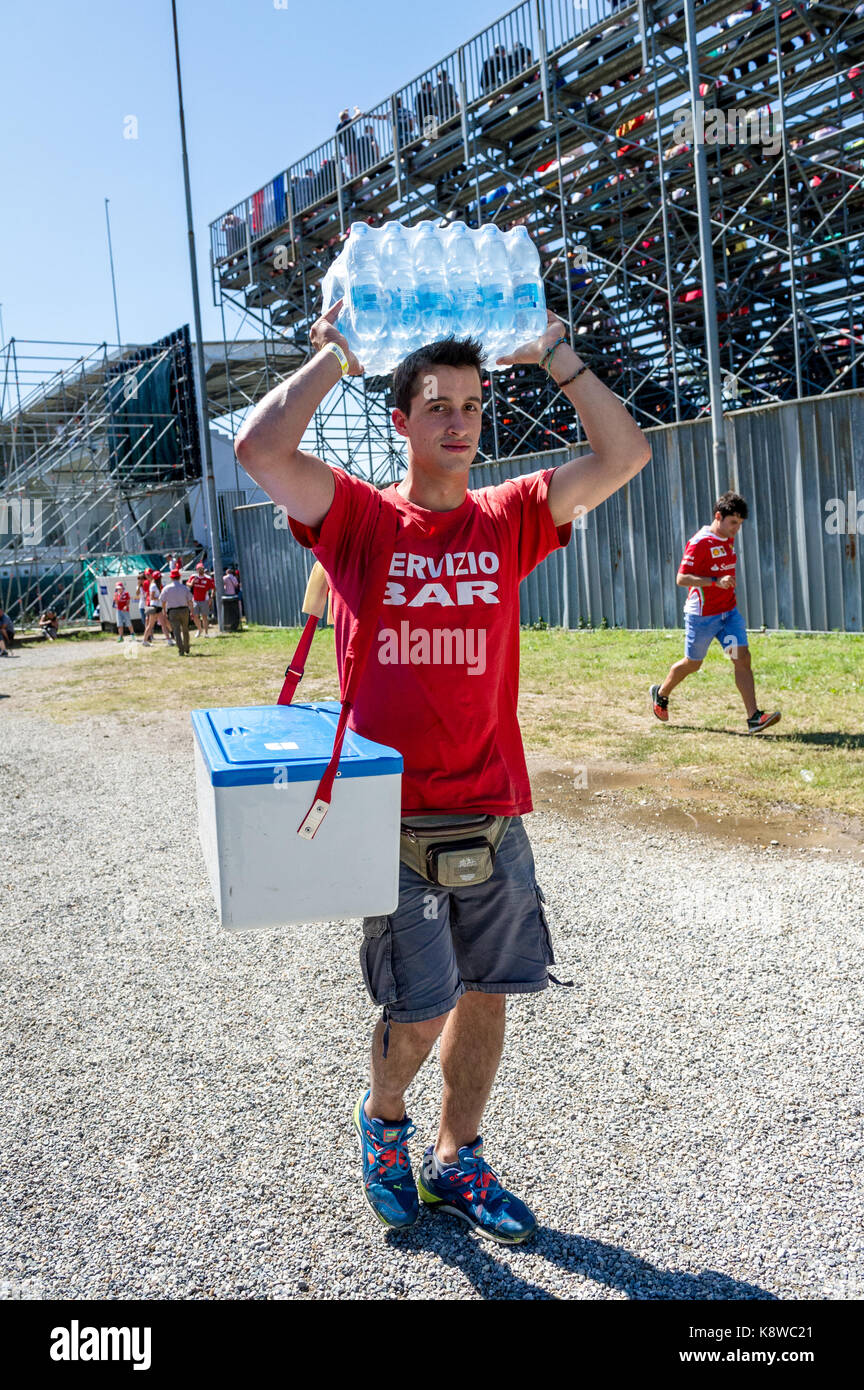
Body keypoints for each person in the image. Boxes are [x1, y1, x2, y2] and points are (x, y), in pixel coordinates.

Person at [234, 298, 650, 1242]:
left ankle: (458, 1159)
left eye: (469, 406)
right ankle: (384, 1126)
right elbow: (259, 451)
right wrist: (335, 354)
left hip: (494, 810)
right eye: (437, 406)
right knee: (418, 1009)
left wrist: (556, 353)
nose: (458, 423)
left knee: (491, 995)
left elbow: (625, 458)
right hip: (393, 818)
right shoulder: (359, 521)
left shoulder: (510, 518)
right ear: (403, 421)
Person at [650, 492, 781, 734]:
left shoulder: (727, 538)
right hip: (702, 616)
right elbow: (681, 578)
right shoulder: (700, 542)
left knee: (741, 659)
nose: (736, 529)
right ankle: (661, 693)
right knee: (693, 663)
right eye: (733, 523)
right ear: (718, 516)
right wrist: (715, 581)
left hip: (727, 614)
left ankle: (754, 717)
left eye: (740, 524)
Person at [160, 568, 194, 656]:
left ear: (171, 578)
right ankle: (187, 647)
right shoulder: (184, 588)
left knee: (176, 631)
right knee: (185, 629)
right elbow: (190, 600)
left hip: (173, 611)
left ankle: (181, 650)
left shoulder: (167, 588)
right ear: (179, 577)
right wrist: (192, 611)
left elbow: (163, 601)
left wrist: (164, 612)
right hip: (184, 610)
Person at [189, 563, 215, 637]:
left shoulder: (208, 578)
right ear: (196, 570)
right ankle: (200, 629)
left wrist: (211, 598)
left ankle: (206, 633)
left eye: (201, 569)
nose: (200, 570)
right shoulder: (193, 576)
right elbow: (188, 584)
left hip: (204, 600)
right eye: (199, 569)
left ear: (203, 569)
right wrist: (191, 583)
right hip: (195, 599)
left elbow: (213, 588)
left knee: (204, 617)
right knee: (195, 616)